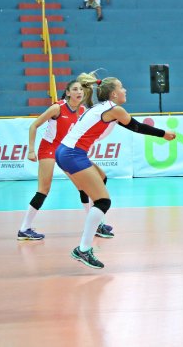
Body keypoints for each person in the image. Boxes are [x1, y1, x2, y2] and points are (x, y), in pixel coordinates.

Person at [55, 77, 176, 269]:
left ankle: (96, 222)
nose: (125, 90)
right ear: (113, 94)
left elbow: (130, 126)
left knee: (101, 178)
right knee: (104, 201)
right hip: (72, 154)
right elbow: (136, 126)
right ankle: (83, 249)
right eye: (121, 87)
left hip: (64, 151)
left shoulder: (101, 108)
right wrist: (164, 134)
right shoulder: (114, 110)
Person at [19, 73, 114, 241]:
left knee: (85, 186)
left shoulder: (83, 111)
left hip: (66, 151)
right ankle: (24, 228)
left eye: (80, 89)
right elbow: (34, 125)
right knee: (44, 189)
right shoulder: (58, 108)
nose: (79, 92)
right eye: (74, 89)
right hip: (49, 148)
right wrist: (31, 150)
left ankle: (97, 224)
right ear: (68, 93)